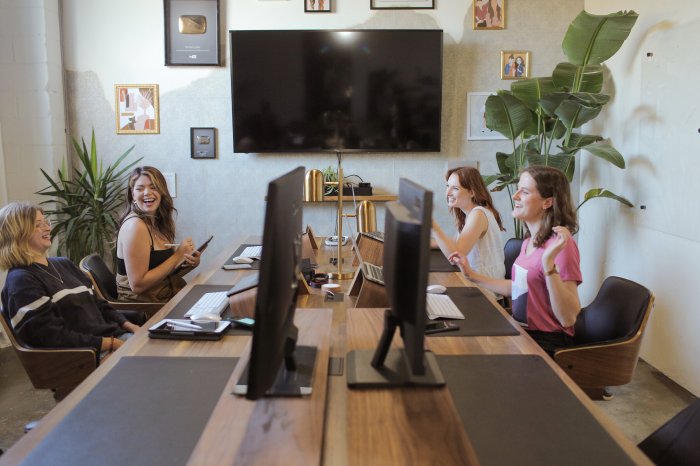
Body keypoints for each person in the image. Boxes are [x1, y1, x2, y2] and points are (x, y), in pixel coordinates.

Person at [453, 166, 582, 355]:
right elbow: (519, 289)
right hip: (522, 332)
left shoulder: (561, 246)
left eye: (525, 191)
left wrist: (549, 266)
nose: (515, 196)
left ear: (547, 202)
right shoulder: (529, 241)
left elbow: (568, 318)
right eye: (518, 189)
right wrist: (472, 276)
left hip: (547, 342)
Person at [0, 202, 139, 359]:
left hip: (115, 339)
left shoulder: (63, 263)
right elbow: (50, 336)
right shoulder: (21, 280)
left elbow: (99, 304)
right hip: (86, 355)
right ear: (19, 234)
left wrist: (132, 327)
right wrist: (110, 343)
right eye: (38, 225)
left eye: (46, 222)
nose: (47, 228)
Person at [116, 166, 200, 302]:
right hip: (145, 306)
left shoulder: (157, 222)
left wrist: (189, 263)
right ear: (132, 194)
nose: (147, 193)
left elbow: (163, 272)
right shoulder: (136, 226)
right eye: (140, 188)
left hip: (165, 296)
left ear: (162, 192)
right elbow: (138, 285)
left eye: (153, 187)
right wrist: (177, 255)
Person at [432, 166, 506, 281]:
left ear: (472, 192)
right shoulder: (470, 213)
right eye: (448, 186)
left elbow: (455, 257)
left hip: (486, 290)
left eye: (455, 188)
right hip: (475, 280)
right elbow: (454, 242)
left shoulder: (478, 215)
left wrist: (433, 226)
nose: (448, 193)